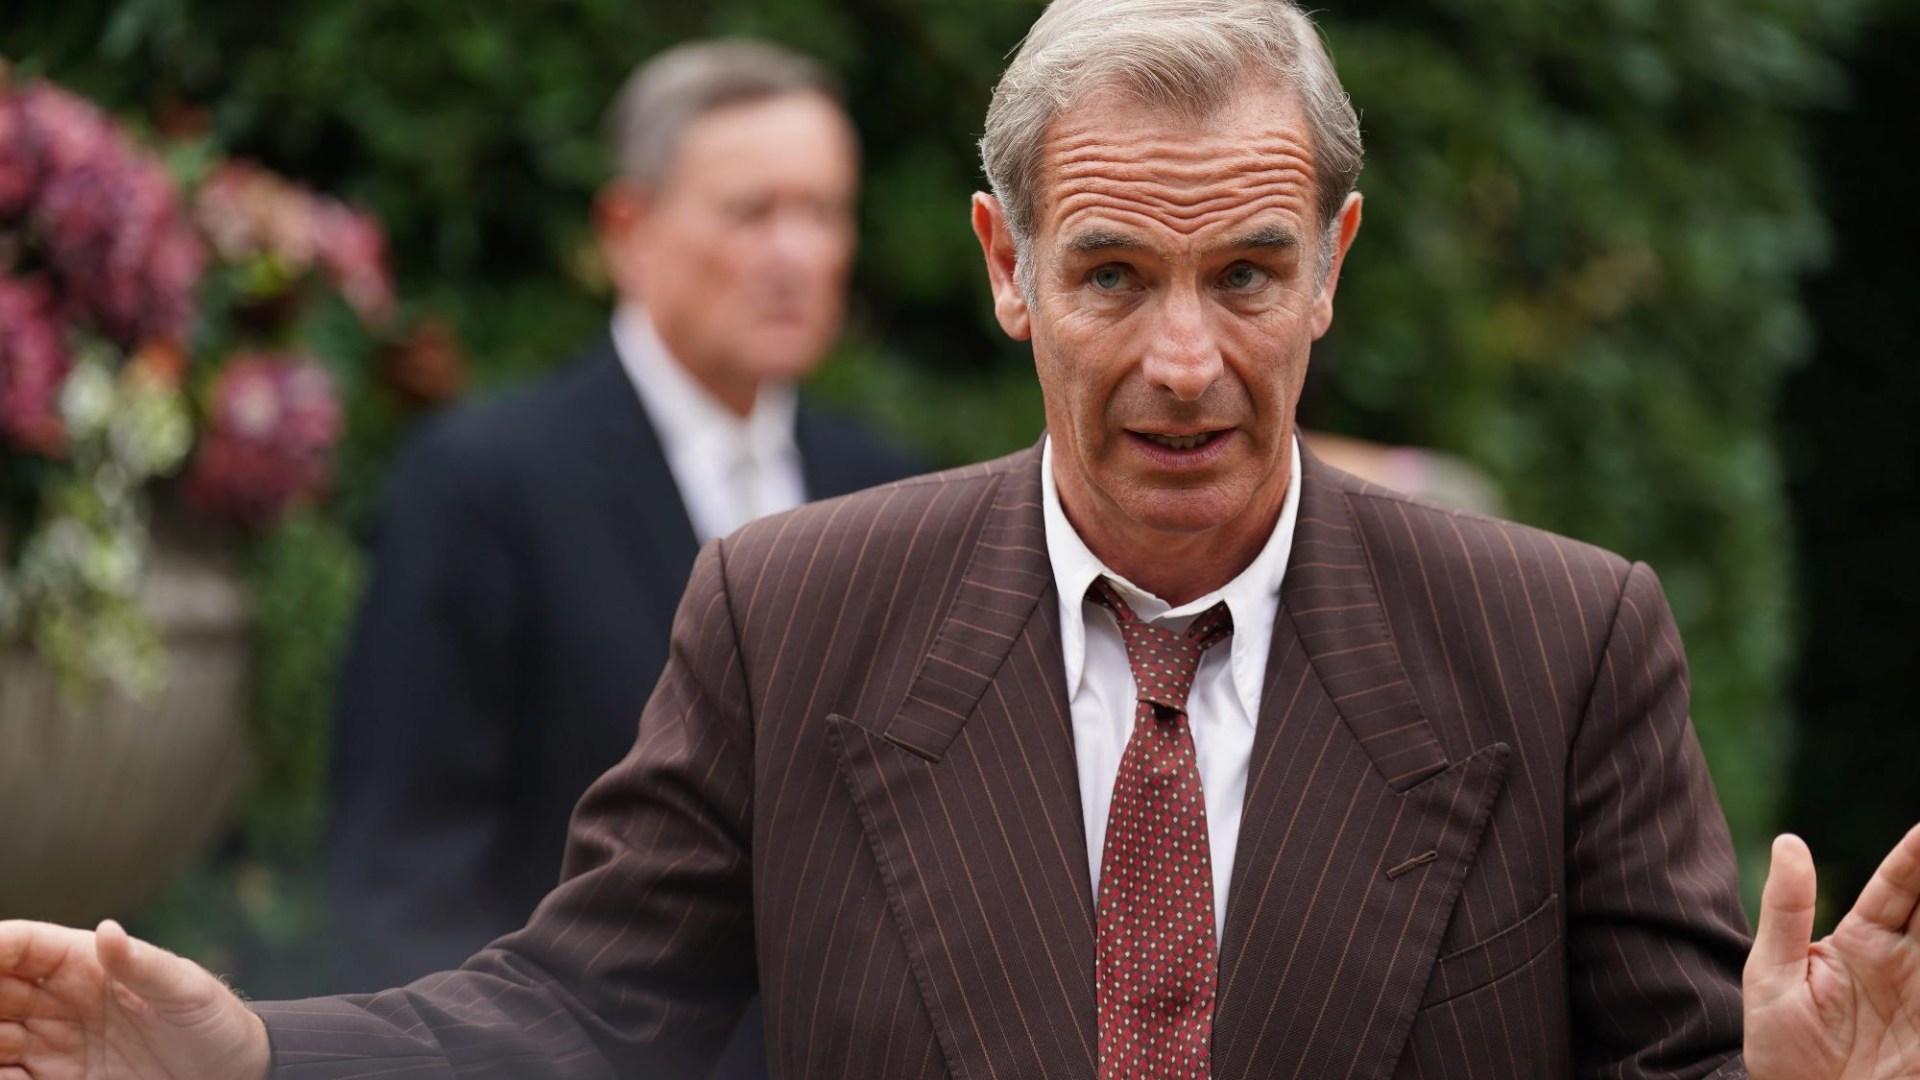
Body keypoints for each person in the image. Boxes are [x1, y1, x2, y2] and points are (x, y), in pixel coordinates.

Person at [3, 2, 1918, 1077]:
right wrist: (256, 1056)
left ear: (1334, 266)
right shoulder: (794, 613)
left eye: (1250, 276)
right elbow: (577, 1011)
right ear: (1008, 266)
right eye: (1116, 274)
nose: (1185, 360)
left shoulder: (1563, 641)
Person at [325, 34, 915, 994]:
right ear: (627, 231)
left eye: (822, 212)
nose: (796, 256)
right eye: (751, 212)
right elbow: (403, 881)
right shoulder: (481, 484)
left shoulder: (885, 488)